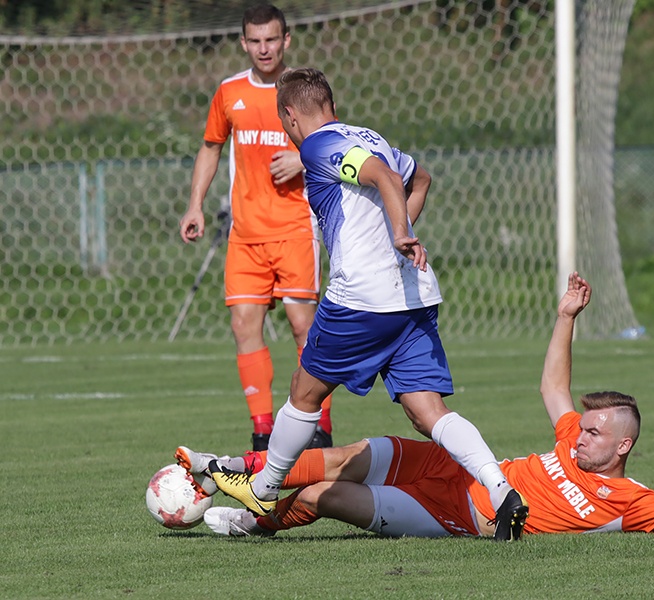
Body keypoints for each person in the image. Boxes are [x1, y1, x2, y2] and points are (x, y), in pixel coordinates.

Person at [180, 273, 654, 539]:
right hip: (458, 468)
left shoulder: (632, 501)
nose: (578, 437)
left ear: (623, 446)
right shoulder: (570, 441)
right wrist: (565, 319)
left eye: (592, 434)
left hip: (460, 513)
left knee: (325, 498)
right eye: (582, 429)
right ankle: (229, 467)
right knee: (357, 452)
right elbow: (554, 391)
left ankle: (252, 520)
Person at [208, 67, 529, 541]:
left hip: (361, 298)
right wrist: (394, 234)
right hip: (413, 294)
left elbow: (379, 176)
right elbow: (419, 177)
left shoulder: (317, 145)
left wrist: (399, 231)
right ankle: (501, 490)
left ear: (291, 116)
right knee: (427, 411)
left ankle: (265, 487)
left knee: (305, 391)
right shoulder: (370, 136)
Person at [178, 4, 332, 452]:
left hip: (295, 228)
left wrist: (303, 157)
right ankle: (263, 432)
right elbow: (210, 149)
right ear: (244, 43)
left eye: (272, 39)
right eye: (256, 41)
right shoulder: (229, 93)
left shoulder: (304, 91)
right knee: (244, 324)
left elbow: (339, 140)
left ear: (287, 40)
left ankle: (318, 428)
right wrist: (195, 206)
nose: (264, 48)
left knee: (304, 326)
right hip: (244, 234)